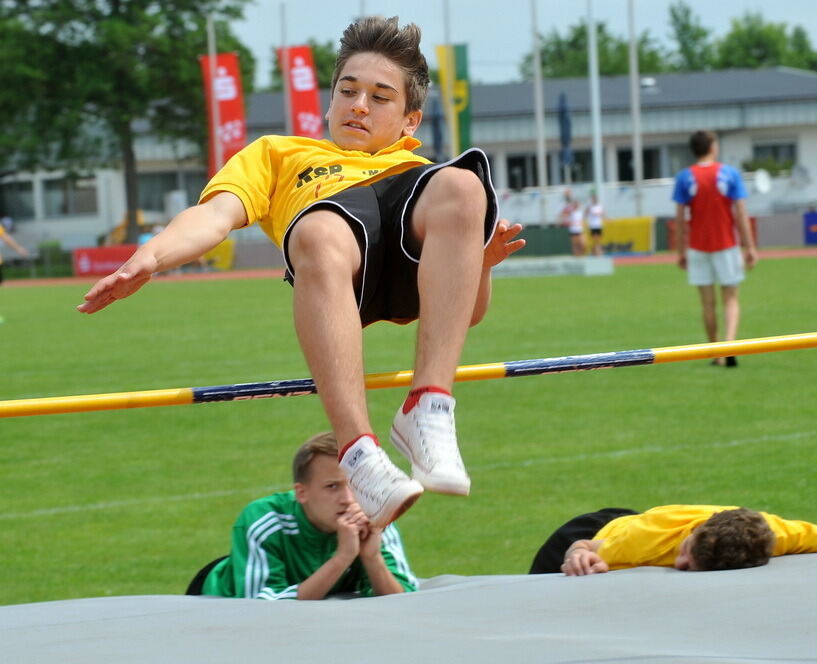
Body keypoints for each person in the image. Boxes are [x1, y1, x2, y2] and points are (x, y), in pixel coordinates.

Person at [76, 16, 526, 527]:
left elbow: (470, 314)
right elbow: (215, 215)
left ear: (410, 121)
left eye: (380, 97)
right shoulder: (279, 154)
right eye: (348, 91)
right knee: (319, 229)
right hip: (337, 262)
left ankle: (429, 407)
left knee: (465, 183)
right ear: (329, 102)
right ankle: (360, 453)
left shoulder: (426, 182)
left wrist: (478, 265)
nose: (359, 105)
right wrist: (152, 256)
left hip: (405, 256)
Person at [191, 431, 417, 600]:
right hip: (217, 606)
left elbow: (404, 600)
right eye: (332, 486)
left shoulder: (375, 517)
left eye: (355, 485)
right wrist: (342, 558)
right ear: (302, 493)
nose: (348, 499)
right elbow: (260, 610)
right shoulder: (263, 520)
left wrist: (372, 558)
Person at [529, 504, 817, 575]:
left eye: (691, 567)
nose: (680, 564)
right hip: (592, 531)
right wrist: (578, 556)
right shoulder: (645, 540)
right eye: (685, 554)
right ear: (692, 534)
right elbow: (583, 548)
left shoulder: (775, 534)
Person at [672, 130, 757, 368]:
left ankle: (716, 353)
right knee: (731, 299)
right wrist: (749, 246)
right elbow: (740, 212)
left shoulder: (685, 177)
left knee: (707, 304)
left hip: (698, 247)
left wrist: (681, 250)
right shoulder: (729, 174)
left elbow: (680, 217)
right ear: (712, 147)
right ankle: (729, 345)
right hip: (726, 244)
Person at [558, 189, 585, 256]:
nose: (576, 204)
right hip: (573, 229)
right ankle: (576, 256)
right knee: (575, 245)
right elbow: (563, 213)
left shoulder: (580, 211)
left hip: (579, 229)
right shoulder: (570, 210)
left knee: (582, 244)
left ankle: (580, 255)